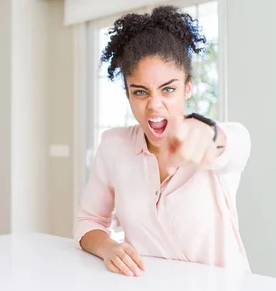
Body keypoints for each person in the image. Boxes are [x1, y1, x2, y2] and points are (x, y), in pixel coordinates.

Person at [73, 5, 251, 277]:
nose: (155, 105)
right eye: (141, 92)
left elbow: (235, 142)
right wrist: (109, 247)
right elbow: (88, 221)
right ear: (128, 94)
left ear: (187, 87)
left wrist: (208, 136)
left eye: (168, 89)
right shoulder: (114, 147)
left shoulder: (213, 140)